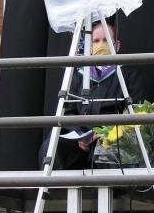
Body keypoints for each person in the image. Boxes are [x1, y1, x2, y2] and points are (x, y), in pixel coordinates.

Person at [38, 15, 146, 169]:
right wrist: (80, 136)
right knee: (52, 146)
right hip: (80, 139)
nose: (101, 45)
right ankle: (55, 189)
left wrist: (106, 133)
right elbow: (68, 112)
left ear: (117, 45)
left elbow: (135, 111)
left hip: (112, 136)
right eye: (96, 41)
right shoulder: (78, 74)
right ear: (89, 47)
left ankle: (113, 192)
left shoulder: (128, 74)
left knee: (110, 150)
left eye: (106, 40)